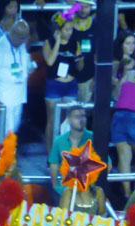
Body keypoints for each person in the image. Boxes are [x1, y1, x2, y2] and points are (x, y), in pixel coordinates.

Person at [0, 20, 32, 139]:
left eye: (25, 38)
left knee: (13, 134)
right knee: (3, 135)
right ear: (13, 33)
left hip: (18, 97)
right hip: (3, 99)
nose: (23, 41)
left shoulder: (22, 45)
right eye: (21, 38)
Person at [43, 16, 85, 147]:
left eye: (71, 29)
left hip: (70, 85)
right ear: (58, 30)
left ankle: (65, 150)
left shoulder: (75, 43)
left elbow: (80, 67)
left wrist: (79, 59)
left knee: (67, 119)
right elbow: (50, 61)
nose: (69, 32)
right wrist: (57, 42)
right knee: (52, 119)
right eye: (66, 29)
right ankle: (50, 152)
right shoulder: (49, 43)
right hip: (55, 85)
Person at [50, 105, 93, 194]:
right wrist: (55, 187)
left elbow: (107, 163)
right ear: (69, 120)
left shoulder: (94, 138)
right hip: (65, 189)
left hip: (88, 189)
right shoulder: (59, 141)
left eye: (83, 116)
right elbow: (54, 164)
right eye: (77, 117)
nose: (81, 120)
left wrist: (95, 184)